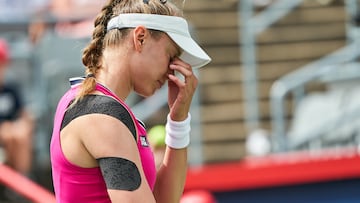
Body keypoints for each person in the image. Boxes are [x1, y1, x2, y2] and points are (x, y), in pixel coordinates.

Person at [50, 0, 211, 202]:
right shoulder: (102, 115)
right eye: (170, 56)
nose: (173, 70)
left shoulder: (98, 106)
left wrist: (178, 121)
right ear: (140, 38)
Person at [0, 39, 34, 175]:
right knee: (10, 135)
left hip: (13, 132)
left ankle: (22, 178)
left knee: (20, 135)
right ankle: (17, 182)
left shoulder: (11, 88)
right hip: (5, 131)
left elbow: (25, 115)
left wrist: (22, 125)